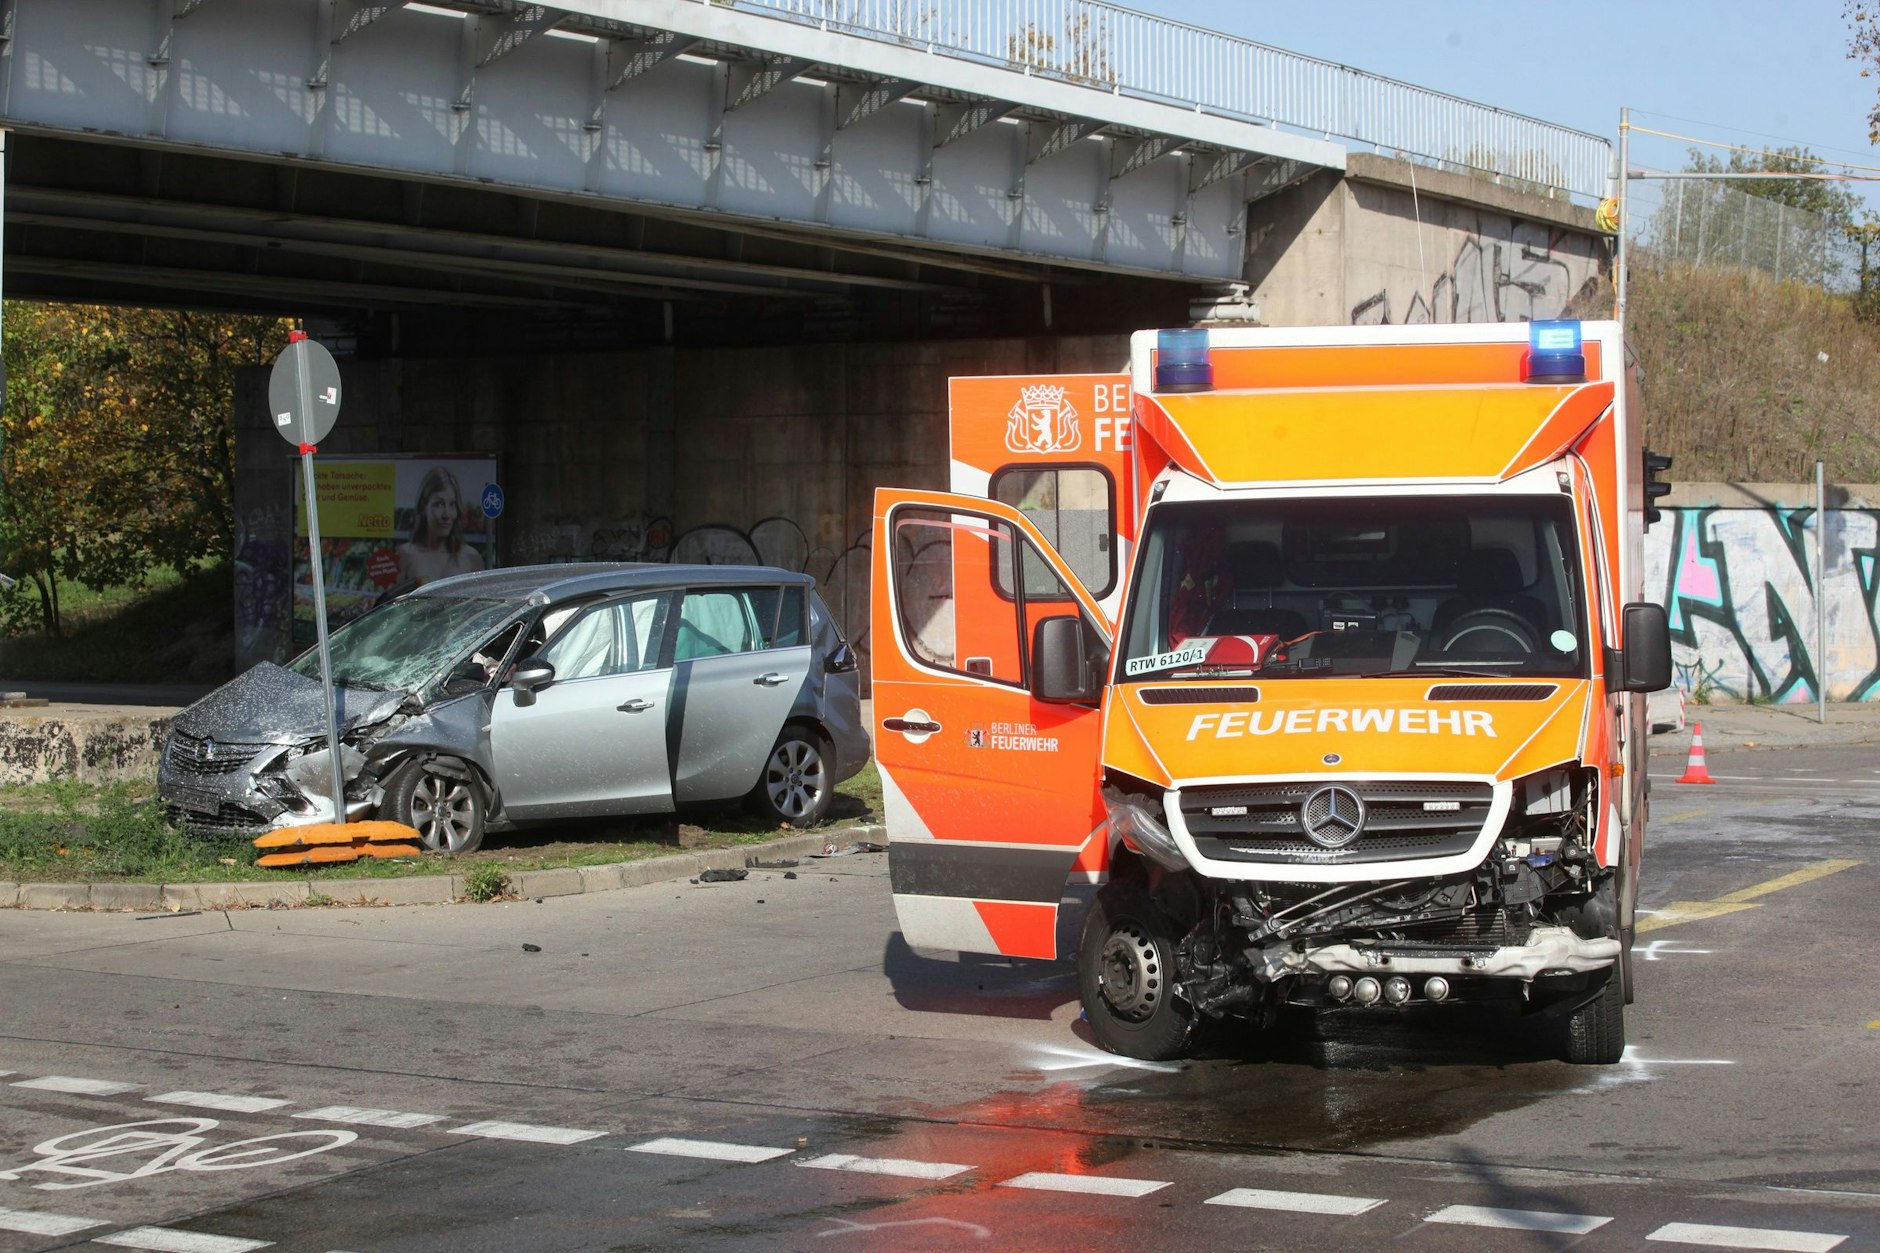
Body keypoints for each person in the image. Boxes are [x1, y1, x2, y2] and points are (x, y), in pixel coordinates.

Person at [395, 466, 485, 586]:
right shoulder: (406, 555)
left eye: (452, 504)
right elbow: (393, 601)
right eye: (438, 504)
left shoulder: (471, 557)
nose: (446, 514)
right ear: (423, 507)